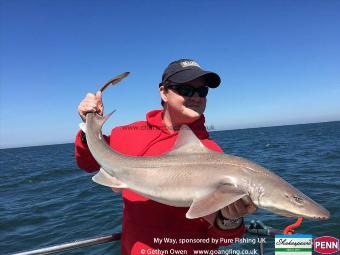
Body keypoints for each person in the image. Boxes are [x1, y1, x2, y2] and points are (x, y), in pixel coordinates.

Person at [75, 59, 256, 255]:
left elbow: (224, 238)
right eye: (186, 90)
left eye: (202, 91)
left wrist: (230, 221)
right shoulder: (126, 134)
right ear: (163, 92)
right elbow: (88, 163)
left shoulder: (212, 154)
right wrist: (89, 125)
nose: (196, 97)